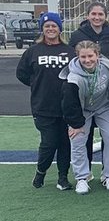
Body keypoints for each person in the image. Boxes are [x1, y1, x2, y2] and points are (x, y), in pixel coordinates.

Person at [16, 11, 75, 190]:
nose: (50, 29)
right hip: (43, 106)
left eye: (54, 26)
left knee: (65, 143)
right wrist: (37, 85)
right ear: (42, 28)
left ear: (59, 29)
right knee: (49, 143)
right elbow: (22, 74)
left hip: (66, 106)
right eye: (47, 26)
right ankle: (41, 171)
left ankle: (63, 177)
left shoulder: (69, 51)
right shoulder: (33, 51)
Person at [61, 40, 109, 194]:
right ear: (77, 57)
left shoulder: (107, 65)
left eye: (90, 56)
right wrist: (76, 124)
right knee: (78, 139)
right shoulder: (73, 78)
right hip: (82, 109)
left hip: (104, 106)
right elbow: (69, 103)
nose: (87, 60)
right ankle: (82, 178)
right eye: (83, 57)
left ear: (98, 55)